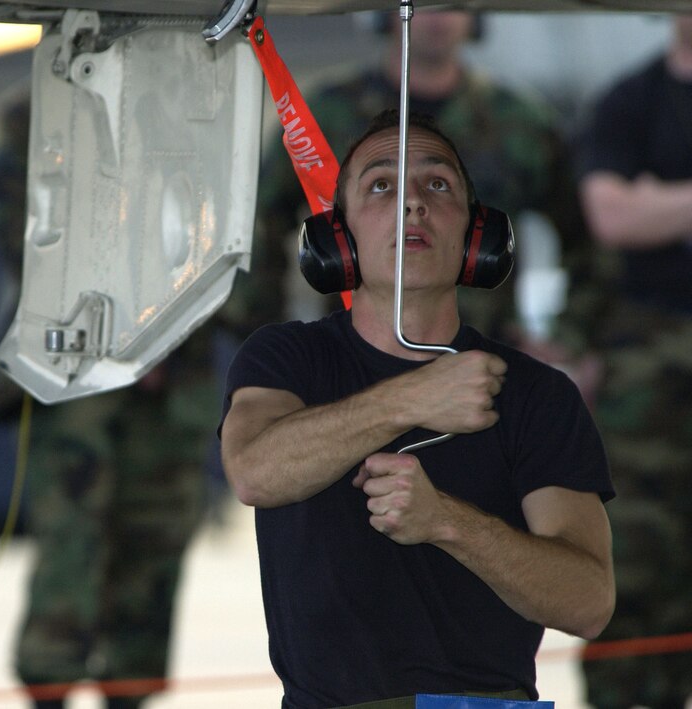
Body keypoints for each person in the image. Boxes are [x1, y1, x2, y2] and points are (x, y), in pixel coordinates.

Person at [219, 109, 615, 708]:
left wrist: (447, 522)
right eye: (381, 185)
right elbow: (254, 471)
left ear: (476, 236)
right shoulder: (286, 358)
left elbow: (588, 601)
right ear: (338, 238)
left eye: (438, 185)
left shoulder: (535, 394)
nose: (413, 205)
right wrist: (414, 396)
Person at [0, 91, 218, 709]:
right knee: (71, 537)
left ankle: (128, 690)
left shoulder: (202, 108)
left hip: (172, 377)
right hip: (75, 362)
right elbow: (29, 236)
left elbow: (219, 225)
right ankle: (50, 682)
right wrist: (122, 328)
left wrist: (161, 331)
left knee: (155, 539)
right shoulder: (40, 111)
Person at [253, 10, 585, 345]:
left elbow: (587, 232)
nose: (439, 16)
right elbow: (260, 222)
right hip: (355, 354)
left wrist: (568, 339)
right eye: (423, 3)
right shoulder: (328, 114)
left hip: (481, 354)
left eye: (453, 2)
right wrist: (271, 340)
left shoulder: (519, 121)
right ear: (385, 14)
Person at [573, 16, 692, 709]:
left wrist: (661, 200)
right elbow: (611, 216)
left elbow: (633, 210)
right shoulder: (629, 101)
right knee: (633, 558)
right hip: (645, 368)